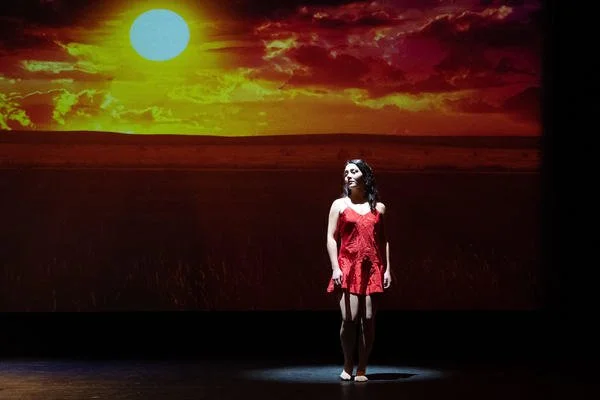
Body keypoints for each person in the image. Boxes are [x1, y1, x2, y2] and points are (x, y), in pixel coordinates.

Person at [326, 159, 392, 382]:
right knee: (349, 318)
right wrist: (335, 267)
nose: (349, 176)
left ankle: (362, 366)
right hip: (348, 265)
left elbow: (384, 240)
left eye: (354, 171)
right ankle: (348, 363)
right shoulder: (339, 205)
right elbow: (331, 238)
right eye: (346, 172)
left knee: (369, 318)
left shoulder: (378, 208)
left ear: (365, 175)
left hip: (372, 266)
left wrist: (387, 269)